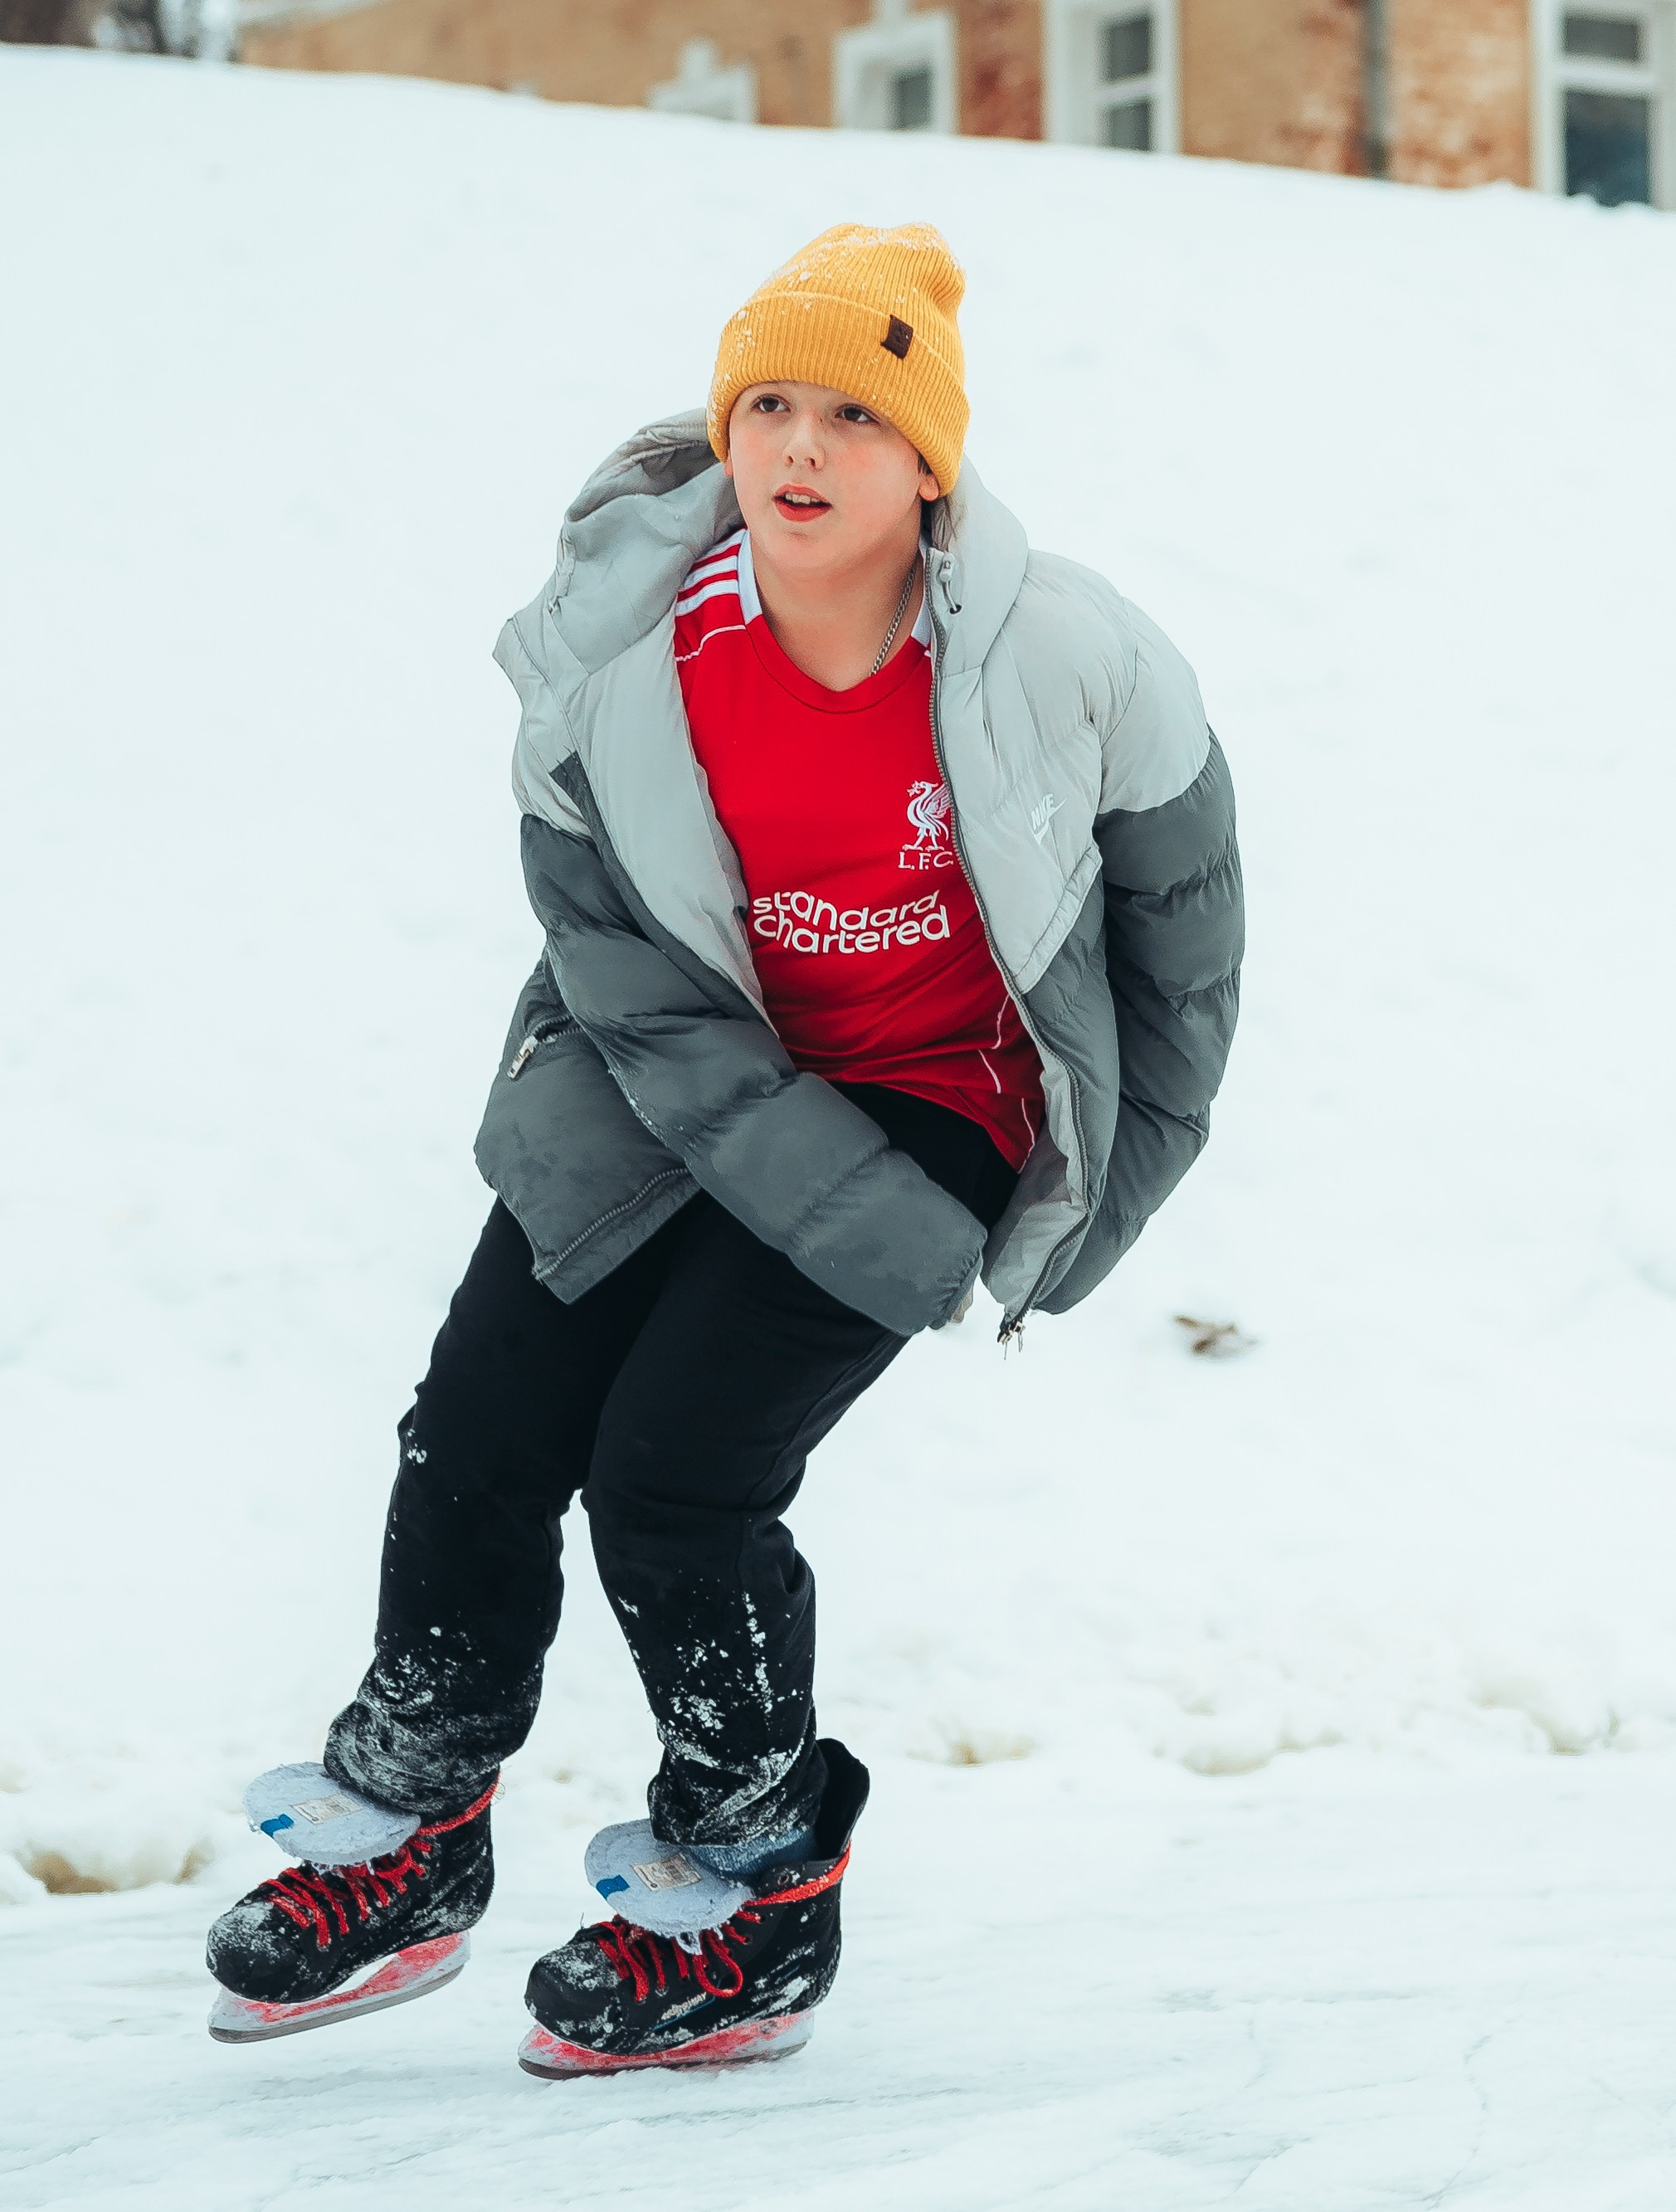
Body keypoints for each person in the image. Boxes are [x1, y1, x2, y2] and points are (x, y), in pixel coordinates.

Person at [205, 222, 1244, 2076]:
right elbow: (598, 929)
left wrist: (1115, 1178)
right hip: (667, 1066)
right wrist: (723, 1119)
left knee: (676, 1478)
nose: (801, 443)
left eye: (854, 408)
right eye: (767, 400)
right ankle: (418, 1820)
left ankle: (753, 1885)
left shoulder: (1061, 652)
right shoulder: (621, 659)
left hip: (930, 1101)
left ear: (927, 455)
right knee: (479, 1424)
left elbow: (1187, 927)